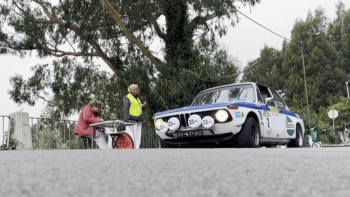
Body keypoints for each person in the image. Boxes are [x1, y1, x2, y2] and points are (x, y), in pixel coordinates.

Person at [123, 84, 147, 149]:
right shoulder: (127, 98)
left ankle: (137, 149)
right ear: (132, 90)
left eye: (137, 89)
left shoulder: (137, 99)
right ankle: (130, 149)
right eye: (136, 89)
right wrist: (127, 119)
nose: (137, 90)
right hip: (131, 120)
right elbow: (125, 109)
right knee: (131, 136)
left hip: (139, 119)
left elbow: (139, 108)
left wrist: (143, 106)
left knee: (138, 136)